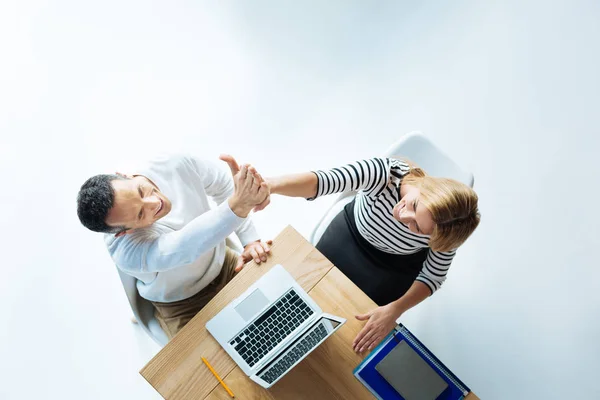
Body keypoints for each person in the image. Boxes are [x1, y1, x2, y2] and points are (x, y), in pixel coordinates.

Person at [225, 155, 480, 354]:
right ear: (426, 187)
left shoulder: (448, 228)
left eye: (417, 227)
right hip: (350, 237)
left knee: (345, 332)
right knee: (300, 296)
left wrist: (395, 310)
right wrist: (269, 185)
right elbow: (322, 181)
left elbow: (433, 277)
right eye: (414, 205)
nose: (403, 216)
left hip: (394, 270)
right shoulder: (385, 173)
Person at [76, 153, 272, 339]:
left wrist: (250, 241)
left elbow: (223, 185)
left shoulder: (174, 164)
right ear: (124, 232)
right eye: (141, 214)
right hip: (181, 304)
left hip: (224, 264)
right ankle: (155, 318)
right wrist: (239, 205)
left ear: (124, 175)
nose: (155, 202)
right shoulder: (126, 252)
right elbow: (184, 248)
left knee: (277, 312)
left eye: (141, 191)